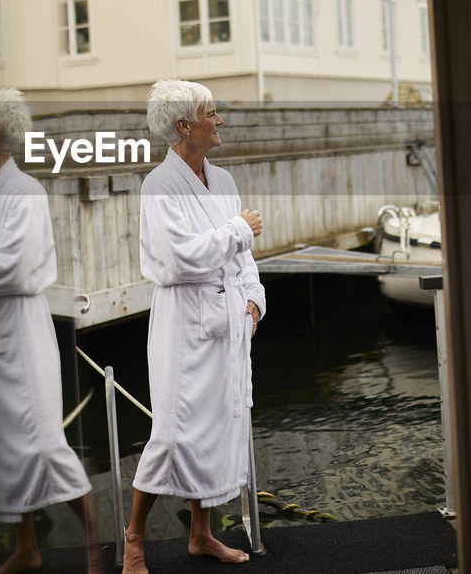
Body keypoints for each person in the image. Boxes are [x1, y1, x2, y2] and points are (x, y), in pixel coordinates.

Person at [0, 88, 101, 574]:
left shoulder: (26, 194)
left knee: (41, 443)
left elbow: (15, 269)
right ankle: (27, 549)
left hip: (20, 332)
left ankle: (98, 547)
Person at [122, 79, 266, 573]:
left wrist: (253, 300)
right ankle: (134, 540)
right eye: (211, 112)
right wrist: (238, 228)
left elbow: (242, 258)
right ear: (184, 125)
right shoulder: (159, 186)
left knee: (220, 427)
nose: (219, 119)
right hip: (183, 325)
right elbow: (181, 259)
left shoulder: (223, 181)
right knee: (174, 433)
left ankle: (201, 536)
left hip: (227, 322)